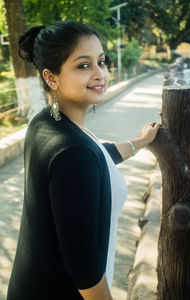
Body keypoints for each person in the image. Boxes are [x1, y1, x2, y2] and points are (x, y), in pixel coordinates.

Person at [7, 21, 160, 300]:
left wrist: (139, 143)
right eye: (83, 65)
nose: (100, 74)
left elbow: (99, 156)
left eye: (101, 62)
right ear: (51, 77)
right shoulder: (71, 152)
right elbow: (83, 264)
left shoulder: (46, 124)